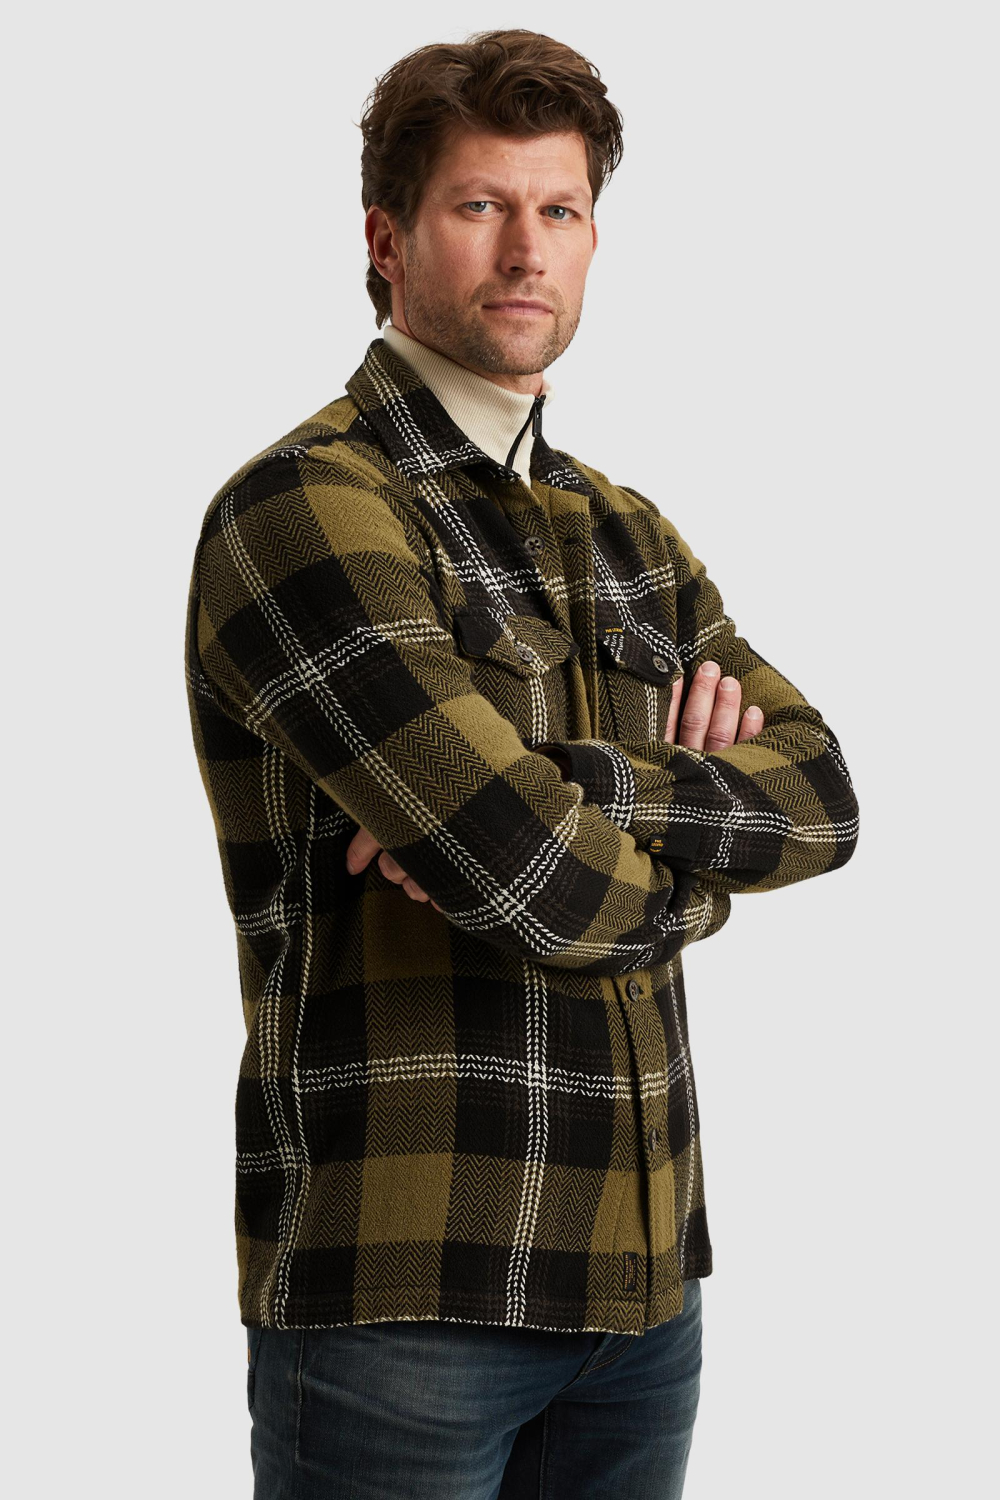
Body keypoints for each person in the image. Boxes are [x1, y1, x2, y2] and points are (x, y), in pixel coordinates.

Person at [184, 26, 859, 1499]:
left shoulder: (628, 531)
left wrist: (568, 782)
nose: (524, 249)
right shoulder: (307, 508)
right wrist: (678, 857)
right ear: (388, 239)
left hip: (645, 1290)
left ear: (593, 238)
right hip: (410, 1294)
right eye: (480, 205)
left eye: (558, 209)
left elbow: (823, 798)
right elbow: (536, 881)